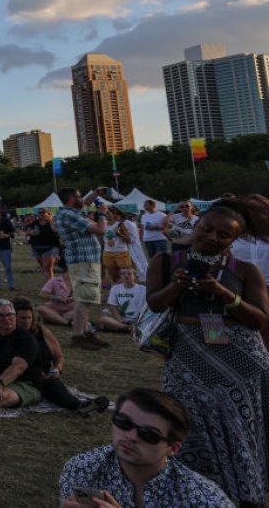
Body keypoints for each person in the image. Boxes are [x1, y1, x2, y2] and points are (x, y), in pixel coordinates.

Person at [145, 197, 269, 506]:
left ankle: (243, 493)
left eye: (224, 235)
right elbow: (154, 304)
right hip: (188, 354)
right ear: (197, 223)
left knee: (238, 428)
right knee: (186, 422)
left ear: (234, 239)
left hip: (240, 361)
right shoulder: (165, 261)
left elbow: (259, 319)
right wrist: (176, 286)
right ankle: (195, 491)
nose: (213, 237)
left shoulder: (245, 270)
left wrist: (224, 294)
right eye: (208, 229)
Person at [58, 388, 234, 508]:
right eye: (123, 423)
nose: (131, 436)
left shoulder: (204, 500)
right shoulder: (83, 468)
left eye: (149, 435)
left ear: (173, 448)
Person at [13, 298, 109, 414]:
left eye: (30, 318)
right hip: (24, 377)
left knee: (50, 384)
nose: (27, 321)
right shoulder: (9, 334)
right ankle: (79, 406)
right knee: (47, 385)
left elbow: (59, 357)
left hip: (46, 376)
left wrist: (57, 368)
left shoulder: (41, 331)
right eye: (22, 318)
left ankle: (81, 406)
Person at [54, 188, 110, 350]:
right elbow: (101, 229)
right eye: (78, 196)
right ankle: (77, 336)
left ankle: (86, 332)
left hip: (84, 260)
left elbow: (85, 204)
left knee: (87, 298)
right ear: (71, 198)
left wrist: (96, 193)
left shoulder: (69, 212)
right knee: (83, 299)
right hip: (83, 260)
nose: (82, 199)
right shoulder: (69, 215)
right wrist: (102, 214)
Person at [96, 268, 146, 332]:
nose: (126, 276)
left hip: (139, 319)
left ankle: (127, 327)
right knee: (104, 315)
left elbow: (146, 308)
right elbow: (114, 308)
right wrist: (121, 321)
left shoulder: (143, 290)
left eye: (129, 274)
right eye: (123, 274)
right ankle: (126, 327)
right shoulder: (115, 288)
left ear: (135, 277)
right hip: (122, 319)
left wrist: (138, 320)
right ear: (120, 277)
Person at [101, 208, 137, 286]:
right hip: (108, 253)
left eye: (108, 213)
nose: (106, 215)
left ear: (114, 214)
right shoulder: (103, 224)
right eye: (105, 213)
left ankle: (130, 290)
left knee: (127, 276)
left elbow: (128, 239)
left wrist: (119, 234)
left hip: (121, 253)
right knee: (113, 277)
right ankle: (117, 293)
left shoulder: (119, 224)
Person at [27, 209, 61, 281]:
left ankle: (50, 285)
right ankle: (50, 284)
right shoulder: (35, 223)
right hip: (36, 247)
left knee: (46, 267)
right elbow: (28, 231)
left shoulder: (51, 222)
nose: (41, 214)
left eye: (43, 212)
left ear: (48, 214)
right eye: (39, 213)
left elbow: (55, 230)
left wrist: (50, 220)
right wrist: (31, 232)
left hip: (49, 247)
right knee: (44, 267)